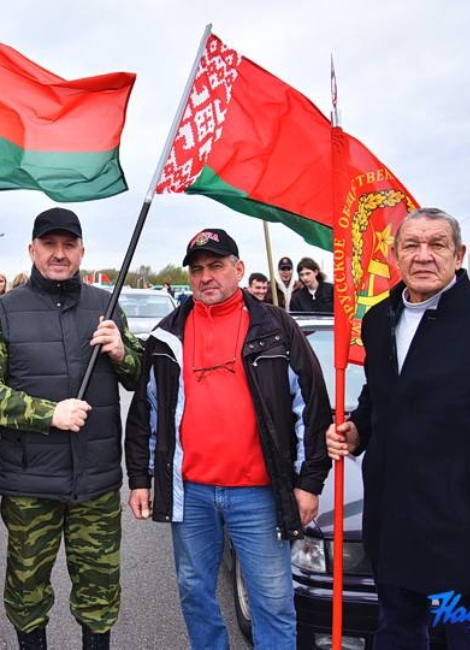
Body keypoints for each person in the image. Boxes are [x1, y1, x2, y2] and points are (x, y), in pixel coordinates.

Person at [326, 208, 470, 648]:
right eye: (411, 245)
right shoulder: (377, 320)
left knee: (467, 642)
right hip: (393, 525)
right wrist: (357, 430)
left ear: (459, 254)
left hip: (467, 535)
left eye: (437, 244)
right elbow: (382, 393)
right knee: (397, 636)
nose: (423, 255)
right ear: (395, 255)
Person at [126, 228, 332, 650]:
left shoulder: (277, 326)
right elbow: (146, 411)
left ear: (238, 269)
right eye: (197, 269)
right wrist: (141, 479)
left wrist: (309, 482)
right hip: (191, 495)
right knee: (195, 592)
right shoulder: (167, 335)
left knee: (273, 602)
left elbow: (311, 406)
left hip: (259, 495)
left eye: (216, 266)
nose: (206, 277)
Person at [0, 207, 143, 650]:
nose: (59, 253)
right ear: (33, 250)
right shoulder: (4, 312)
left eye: (68, 245)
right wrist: (48, 414)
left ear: (82, 251)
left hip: (96, 483)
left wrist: (122, 353)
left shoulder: (106, 306)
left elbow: (140, 377)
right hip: (31, 485)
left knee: (99, 595)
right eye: (49, 244)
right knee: (27, 594)